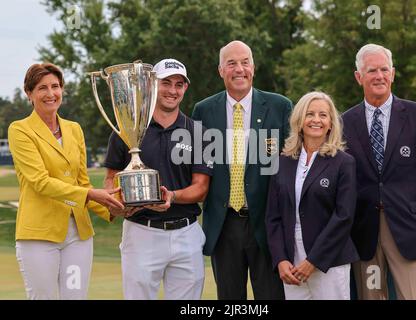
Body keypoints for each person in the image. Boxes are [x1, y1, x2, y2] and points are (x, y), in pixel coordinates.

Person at [8, 63, 124, 300]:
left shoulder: (74, 129)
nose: (51, 94)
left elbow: (82, 182)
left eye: (55, 86)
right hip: (39, 236)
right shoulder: (19, 130)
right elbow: (40, 182)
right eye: (42, 88)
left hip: (78, 238)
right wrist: (91, 195)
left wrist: (113, 207)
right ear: (29, 93)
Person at [342, 44, 416, 300]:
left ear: (393, 73)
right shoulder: (345, 121)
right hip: (364, 232)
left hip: (409, 230)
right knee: (371, 296)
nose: (379, 76)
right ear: (359, 77)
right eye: (371, 71)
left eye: (384, 69)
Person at [104, 58, 212, 300]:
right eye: (166, 83)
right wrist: (118, 205)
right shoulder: (126, 128)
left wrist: (172, 196)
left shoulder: (198, 132)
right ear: (152, 84)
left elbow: (201, 188)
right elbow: (110, 179)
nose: (173, 90)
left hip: (186, 233)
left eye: (179, 84)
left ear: (185, 88)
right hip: (142, 232)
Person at [192, 40, 292, 299]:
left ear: (253, 68)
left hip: (267, 224)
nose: (239, 69)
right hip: (224, 225)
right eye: (231, 63)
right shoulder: (203, 111)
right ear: (220, 70)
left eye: (245, 62)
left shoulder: (280, 107)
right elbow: (199, 169)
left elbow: (292, 166)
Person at [265, 91, 359, 300]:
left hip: (329, 260)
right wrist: (280, 259)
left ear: (331, 123)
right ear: (299, 120)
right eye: (310, 114)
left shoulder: (344, 163)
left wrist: (313, 261)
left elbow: (343, 217)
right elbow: (273, 217)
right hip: (291, 262)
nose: (316, 120)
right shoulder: (282, 162)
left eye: (323, 115)